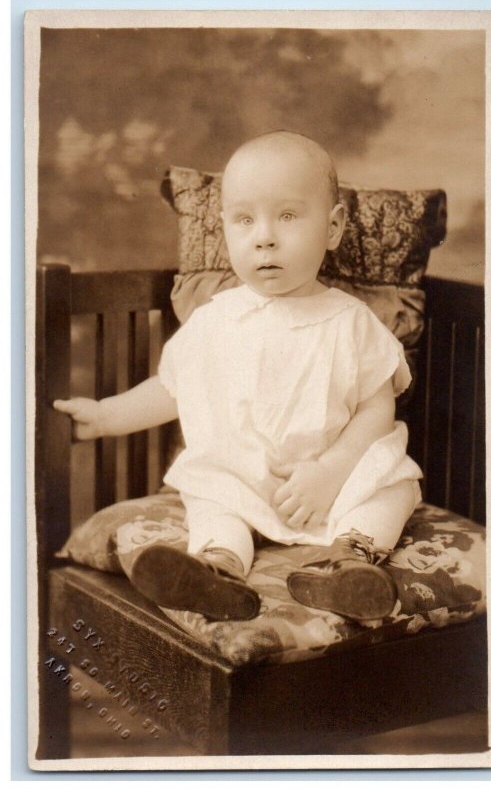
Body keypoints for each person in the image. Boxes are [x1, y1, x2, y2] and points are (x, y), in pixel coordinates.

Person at [54, 131, 422, 623]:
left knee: (394, 487)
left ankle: (348, 563)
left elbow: (378, 409)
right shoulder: (215, 319)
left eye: (287, 216)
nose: (264, 236)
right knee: (211, 494)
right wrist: (103, 417)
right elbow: (172, 388)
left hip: (331, 485)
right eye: (245, 220)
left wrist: (333, 472)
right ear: (225, 227)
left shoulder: (352, 322)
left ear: (333, 228)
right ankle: (217, 569)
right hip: (244, 479)